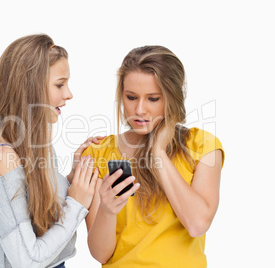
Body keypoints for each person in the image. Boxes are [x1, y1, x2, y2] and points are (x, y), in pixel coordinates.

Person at [0, 34, 103, 268]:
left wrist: (71, 180)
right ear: (30, 87)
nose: (69, 94)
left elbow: (36, 211)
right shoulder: (0, 159)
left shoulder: (36, 144)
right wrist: (77, 204)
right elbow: (27, 260)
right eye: (59, 84)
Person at [83, 45, 225, 267]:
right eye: (131, 97)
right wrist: (107, 210)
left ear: (172, 97)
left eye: (153, 99)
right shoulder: (99, 152)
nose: (139, 110)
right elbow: (101, 254)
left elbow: (197, 224)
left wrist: (158, 154)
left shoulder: (202, 146)